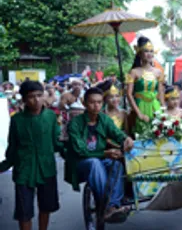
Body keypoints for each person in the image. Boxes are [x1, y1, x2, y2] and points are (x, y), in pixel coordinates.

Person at [0, 81, 65, 230]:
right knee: (24, 210)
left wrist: (71, 153)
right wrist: (4, 165)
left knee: (46, 206)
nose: (36, 100)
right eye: (31, 97)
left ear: (44, 96)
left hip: (46, 167)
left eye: (39, 95)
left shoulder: (50, 116)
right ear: (23, 99)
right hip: (24, 169)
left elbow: (56, 142)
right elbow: (13, 147)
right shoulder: (17, 120)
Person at [65, 87, 134, 223]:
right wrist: (105, 153)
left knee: (117, 165)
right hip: (81, 163)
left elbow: (117, 133)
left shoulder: (104, 119)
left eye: (99, 102)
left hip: (101, 159)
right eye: (92, 102)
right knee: (94, 162)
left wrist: (126, 139)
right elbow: (80, 151)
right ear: (84, 104)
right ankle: (107, 205)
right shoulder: (75, 123)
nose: (96, 106)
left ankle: (113, 204)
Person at [125, 36, 165, 137]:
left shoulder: (158, 72)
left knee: (158, 135)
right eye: (146, 51)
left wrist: (164, 111)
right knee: (141, 135)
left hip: (155, 107)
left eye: (151, 51)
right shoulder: (133, 72)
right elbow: (129, 94)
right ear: (139, 53)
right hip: (140, 107)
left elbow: (160, 93)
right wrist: (139, 113)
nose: (149, 54)